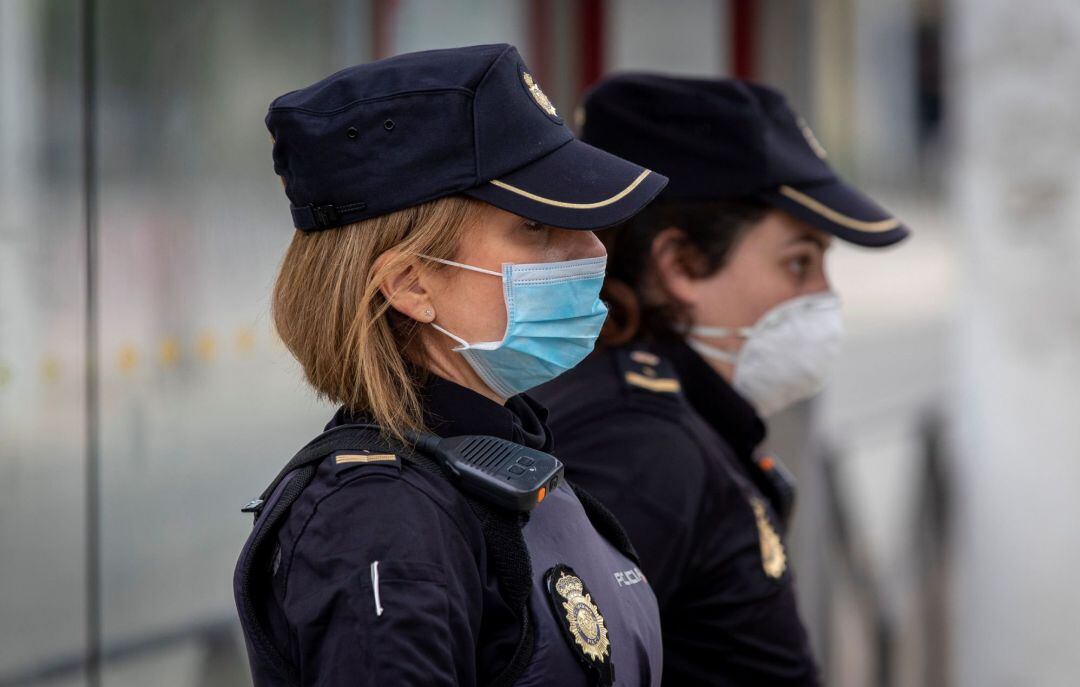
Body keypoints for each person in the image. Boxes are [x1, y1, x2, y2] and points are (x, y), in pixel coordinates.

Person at [232, 45, 670, 686]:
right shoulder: (381, 518)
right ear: (411, 284)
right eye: (536, 227)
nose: (592, 248)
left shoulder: (498, 459)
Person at [533, 75, 910, 686]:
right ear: (680, 264)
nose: (823, 296)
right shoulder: (639, 448)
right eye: (798, 262)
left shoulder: (671, 421)